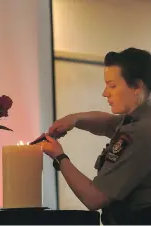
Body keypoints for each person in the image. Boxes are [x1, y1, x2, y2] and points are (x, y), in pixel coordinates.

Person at [41, 48, 151, 224]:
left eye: (112, 85)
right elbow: (108, 122)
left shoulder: (139, 132)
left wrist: (59, 157)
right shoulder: (140, 119)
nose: (105, 93)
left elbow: (94, 198)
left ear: (137, 87)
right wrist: (75, 119)